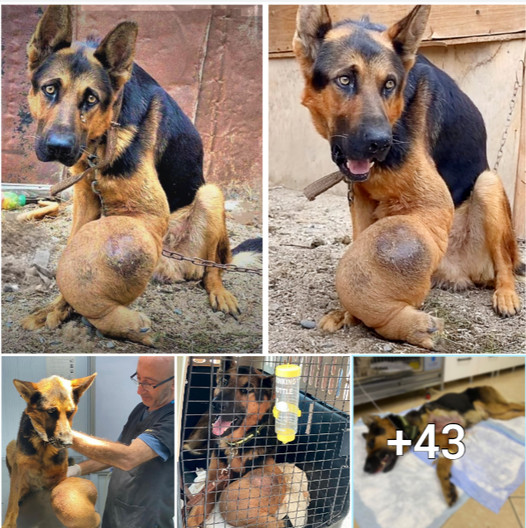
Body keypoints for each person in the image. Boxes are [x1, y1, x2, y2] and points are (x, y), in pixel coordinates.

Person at [67, 356, 175, 528]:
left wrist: (66, 435)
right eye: (138, 380)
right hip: (117, 511)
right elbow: (113, 454)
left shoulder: (173, 419)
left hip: (145, 519)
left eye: (148, 383)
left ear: (173, 383)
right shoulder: (141, 409)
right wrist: (74, 470)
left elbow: (128, 457)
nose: (139, 391)